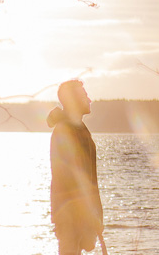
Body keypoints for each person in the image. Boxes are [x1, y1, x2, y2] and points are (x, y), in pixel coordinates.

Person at [48, 80, 105, 255]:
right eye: (84, 96)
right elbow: (70, 175)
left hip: (80, 211)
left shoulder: (79, 128)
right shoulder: (65, 130)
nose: (89, 99)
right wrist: (89, 211)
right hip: (69, 214)